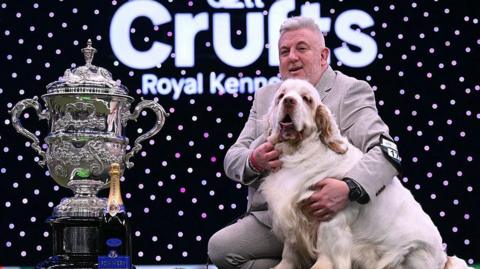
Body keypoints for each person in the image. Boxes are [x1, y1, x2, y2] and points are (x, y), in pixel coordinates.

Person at [208, 16, 400, 269]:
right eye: (284, 51)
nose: (292, 57)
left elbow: (387, 154)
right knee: (221, 249)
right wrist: (254, 160)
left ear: (323, 56)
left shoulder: (350, 91)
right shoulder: (268, 96)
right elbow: (233, 158)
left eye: (301, 48)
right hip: (277, 220)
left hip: (333, 218)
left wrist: (348, 188)